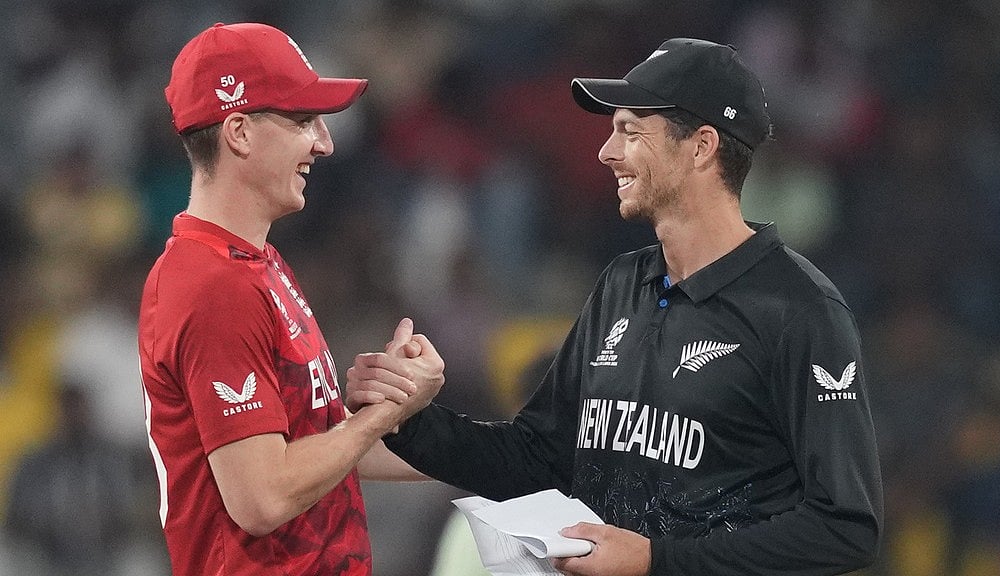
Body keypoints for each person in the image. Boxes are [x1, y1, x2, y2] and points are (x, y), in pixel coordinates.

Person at [349, 38, 883, 575]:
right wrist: (409, 420)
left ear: (700, 147)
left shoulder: (800, 310)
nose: (606, 151)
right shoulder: (621, 284)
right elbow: (536, 458)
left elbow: (844, 527)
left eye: (630, 131)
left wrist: (658, 560)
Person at [137, 22, 443, 576]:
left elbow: (323, 450)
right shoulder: (212, 286)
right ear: (239, 133)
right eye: (304, 120)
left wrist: (504, 455)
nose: (324, 143)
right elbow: (264, 499)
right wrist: (378, 418)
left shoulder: (256, 264)